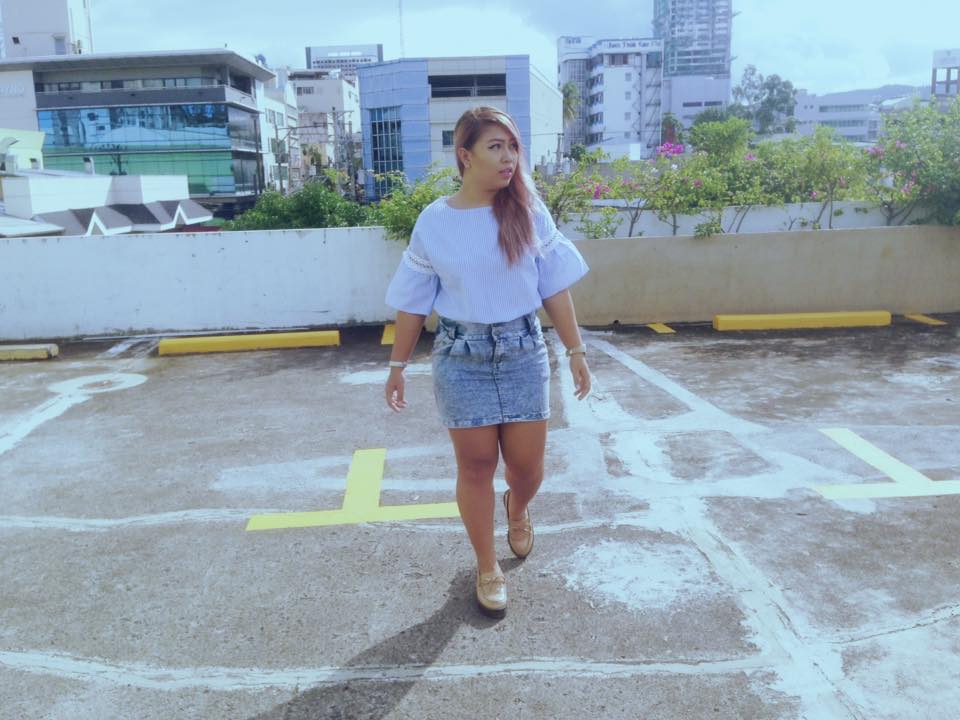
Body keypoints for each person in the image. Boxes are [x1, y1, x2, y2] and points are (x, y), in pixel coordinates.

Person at [383, 106, 591, 618]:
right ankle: (487, 565)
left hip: (523, 350)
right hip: (461, 354)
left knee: (527, 469)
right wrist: (397, 365)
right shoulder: (435, 221)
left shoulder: (528, 210)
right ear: (465, 155)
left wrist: (576, 350)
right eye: (495, 147)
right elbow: (414, 301)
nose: (508, 158)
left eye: (513, 146)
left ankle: (517, 507)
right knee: (475, 466)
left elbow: (554, 288)